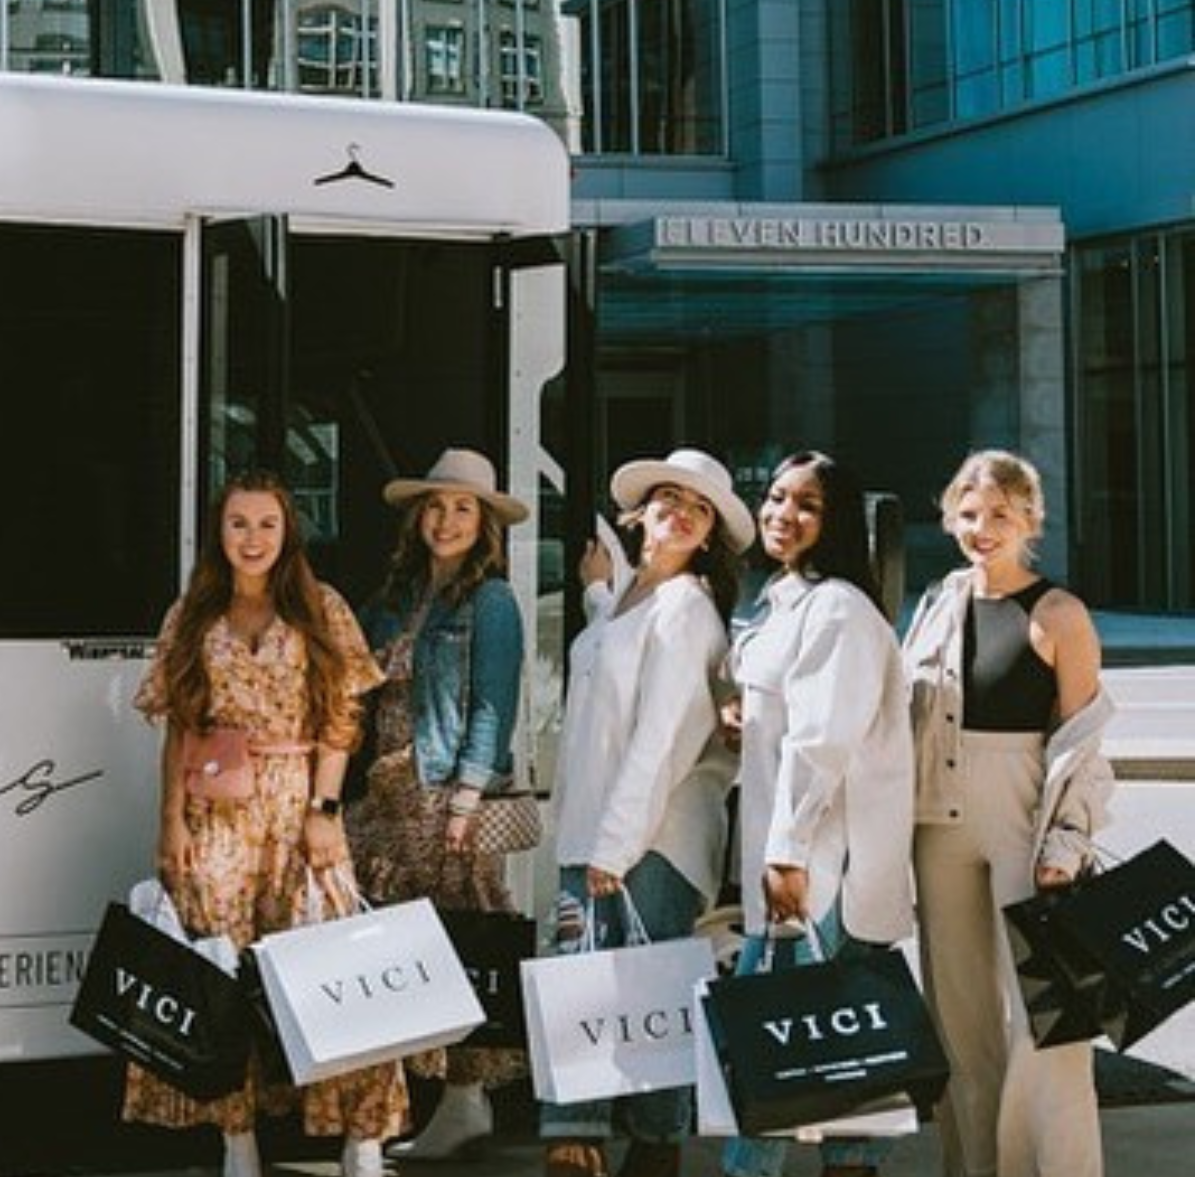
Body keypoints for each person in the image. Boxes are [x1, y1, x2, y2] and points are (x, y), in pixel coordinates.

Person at [127, 469, 405, 1177]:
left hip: (297, 800)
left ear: (288, 533)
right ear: (220, 535)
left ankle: (361, 1134)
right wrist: (170, 824)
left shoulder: (322, 607)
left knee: (336, 965)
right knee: (222, 972)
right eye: (239, 524)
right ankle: (237, 1136)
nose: (253, 539)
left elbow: (344, 718)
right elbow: (178, 729)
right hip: (214, 808)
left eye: (267, 524)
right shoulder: (192, 612)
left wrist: (325, 810)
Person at [901, 449, 1113, 1177]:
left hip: (1024, 813)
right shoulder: (937, 602)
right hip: (939, 819)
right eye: (968, 514)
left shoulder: (1058, 613)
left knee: (1047, 1016)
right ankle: (973, 1166)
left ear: (1030, 519)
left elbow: (1083, 739)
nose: (982, 528)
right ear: (949, 517)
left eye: (1000, 514)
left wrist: (1067, 839)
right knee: (957, 1016)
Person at [542, 446, 747, 1177]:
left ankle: (631, 1149)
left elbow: (661, 739)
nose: (682, 512)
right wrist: (600, 593)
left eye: (699, 509)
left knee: (640, 995)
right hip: (603, 831)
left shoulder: (687, 607)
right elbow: (615, 667)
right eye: (670, 497)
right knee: (593, 985)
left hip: (650, 840)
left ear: (709, 535)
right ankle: (597, 1142)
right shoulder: (634, 599)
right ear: (640, 514)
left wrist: (615, 846)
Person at [718, 452, 916, 1177]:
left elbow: (822, 740)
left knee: (777, 1039)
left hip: (824, 858)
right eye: (775, 497)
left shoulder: (836, 607)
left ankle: (751, 1170)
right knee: (838, 1048)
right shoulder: (786, 597)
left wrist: (787, 852)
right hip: (807, 852)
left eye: (807, 505)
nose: (782, 515)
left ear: (835, 523)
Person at [346, 447, 531, 1162]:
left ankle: (463, 1101)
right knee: (391, 950)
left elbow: (493, 703)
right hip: (388, 792)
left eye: (462, 509)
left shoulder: (491, 601)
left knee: (457, 947)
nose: (446, 520)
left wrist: (467, 796)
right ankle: (398, 1103)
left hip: (441, 793)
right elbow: (346, 655)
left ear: (483, 524)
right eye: (436, 506)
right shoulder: (396, 597)